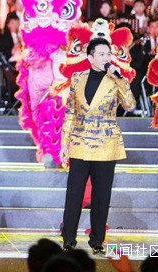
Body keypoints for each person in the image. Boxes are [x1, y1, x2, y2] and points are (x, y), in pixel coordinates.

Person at [60, 38, 135, 253]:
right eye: (101, 54)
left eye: (108, 54)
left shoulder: (116, 79)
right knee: (74, 193)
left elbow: (130, 105)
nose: (106, 58)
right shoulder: (78, 78)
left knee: (101, 196)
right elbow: (70, 112)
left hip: (106, 144)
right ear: (90, 57)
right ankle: (68, 239)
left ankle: (97, 240)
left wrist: (120, 80)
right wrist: (64, 143)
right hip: (80, 142)